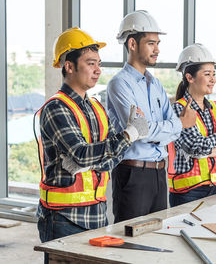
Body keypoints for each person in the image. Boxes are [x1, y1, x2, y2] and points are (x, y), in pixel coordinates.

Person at [34, 27, 148, 263]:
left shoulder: (96, 107)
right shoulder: (57, 108)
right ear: (69, 66)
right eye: (90, 63)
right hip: (63, 218)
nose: (98, 70)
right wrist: (127, 136)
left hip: (96, 214)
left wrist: (91, 160)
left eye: (99, 63)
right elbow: (83, 155)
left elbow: (110, 159)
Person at [107, 10, 196, 223]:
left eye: (158, 43)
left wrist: (170, 127)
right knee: (131, 241)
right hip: (133, 174)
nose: (157, 49)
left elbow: (167, 130)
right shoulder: (120, 84)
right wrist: (177, 124)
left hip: (159, 173)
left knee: (156, 237)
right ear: (132, 44)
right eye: (151, 43)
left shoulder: (155, 85)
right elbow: (141, 131)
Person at [167, 43, 216, 207]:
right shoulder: (179, 109)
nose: (213, 79)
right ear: (190, 77)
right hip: (188, 192)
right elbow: (197, 147)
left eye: (214, 74)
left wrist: (209, 151)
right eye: (207, 74)